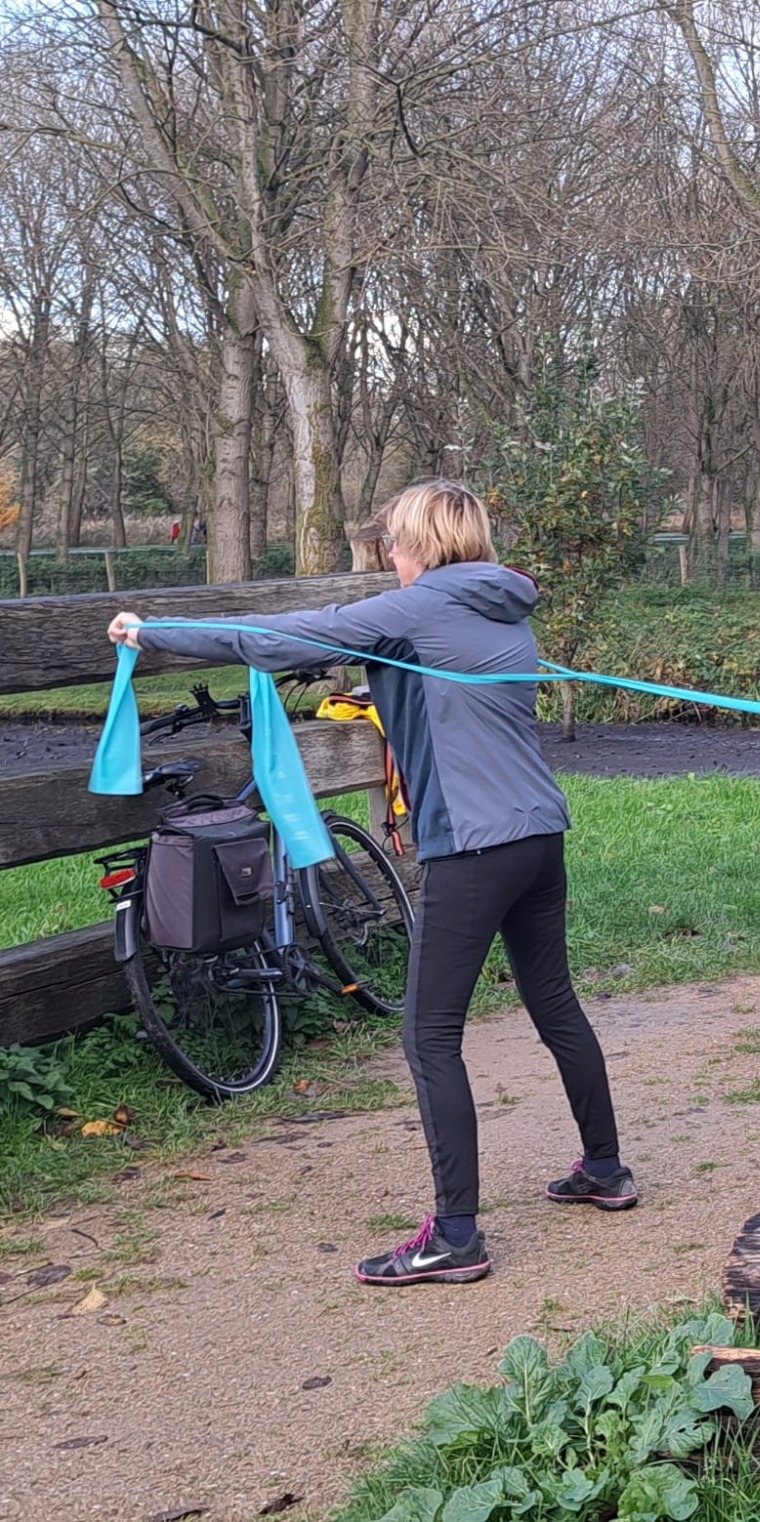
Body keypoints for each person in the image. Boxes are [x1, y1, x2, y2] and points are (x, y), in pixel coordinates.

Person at [107, 480, 633, 1288]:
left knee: (429, 1035)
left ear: (417, 544)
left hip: (474, 846)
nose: (388, 555)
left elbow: (278, 636)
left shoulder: (416, 608)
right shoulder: (504, 604)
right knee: (554, 1001)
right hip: (538, 834)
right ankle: (604, 1167)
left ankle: (455, 1236)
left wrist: (152, 632)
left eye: (392, 542)